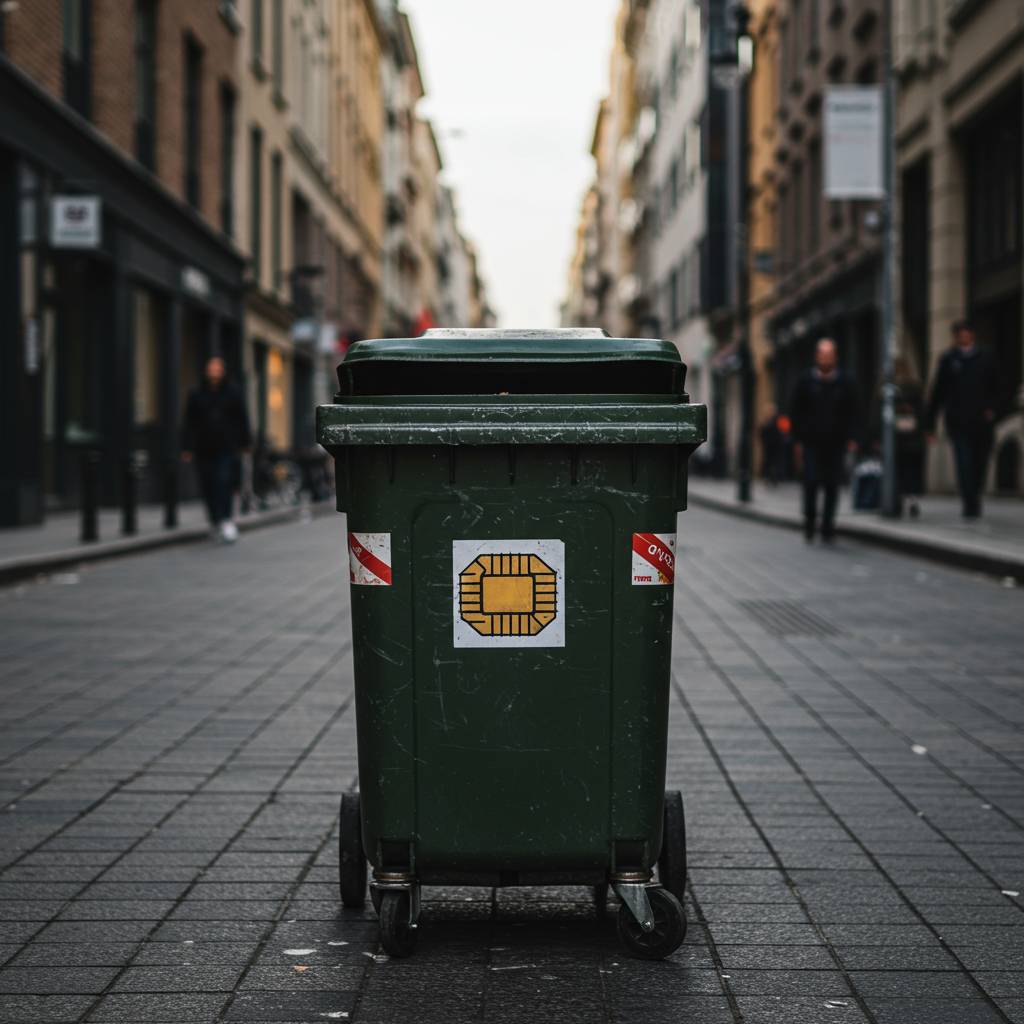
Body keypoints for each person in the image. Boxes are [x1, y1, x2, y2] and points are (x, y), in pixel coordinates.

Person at [789, 338, 860, 543]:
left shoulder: (846, 382)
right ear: (817, 356)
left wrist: (853, 437)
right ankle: (810, 523)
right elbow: (796, 411)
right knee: (811, 483)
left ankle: (827, 526)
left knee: (832, 485)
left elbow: (854, 411)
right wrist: (798, 439)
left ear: (835, 357)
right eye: (822, 354)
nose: (826, 358)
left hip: (836, 443)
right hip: (811, 442)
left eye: (829, 354)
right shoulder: (805, 381)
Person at [926, 320, 998, 519]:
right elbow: (938, 392)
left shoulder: (986, 357)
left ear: (972, 335)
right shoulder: (949, 360)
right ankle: (969, 501)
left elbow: (998, 386)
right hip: (958, 421)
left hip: (982, 422)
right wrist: (930, 424)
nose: (963, 337)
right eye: (960, 334)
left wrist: (993, 409)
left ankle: (975, 494)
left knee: (980, 462)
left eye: (966, 333)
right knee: (963, 463)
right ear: (956, 337)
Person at [182, 356, 252, 543]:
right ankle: (214, 521)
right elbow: (189, 422)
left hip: (226, 447)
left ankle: (226, 520)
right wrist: (186, 447)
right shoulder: (196, 394)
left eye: (218, 368)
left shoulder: (233, 393)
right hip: (203, 447)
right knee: (208, 485)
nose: (214, 372)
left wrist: (245, 443)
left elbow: (242, 418)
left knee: (223, 482)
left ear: (223, 371)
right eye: (211, 368)